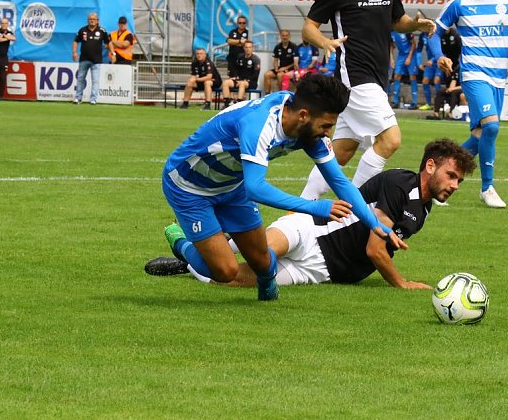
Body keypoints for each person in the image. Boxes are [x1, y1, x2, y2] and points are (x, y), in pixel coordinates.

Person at [159, 73, 405, 302]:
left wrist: (374, 224)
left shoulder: (309, 132)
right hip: (188, 186)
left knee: (264, 262)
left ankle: (267, 298)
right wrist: (314, 207)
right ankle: (183, 244)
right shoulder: (259, 124)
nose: (328, 133)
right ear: (304, 116)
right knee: (225, 271)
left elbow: (339, 181)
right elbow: (256, 189)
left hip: (231, 186)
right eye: (326, 126)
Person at [146, 138, 475, 288]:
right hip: (312, 230)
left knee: (228, 279)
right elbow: (375, 249)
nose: (455, 185)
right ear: (430, 165)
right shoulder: (400, 184)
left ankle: (189, 258)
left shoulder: (425, 207)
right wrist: (400, 283)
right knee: (252, 253)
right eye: (451, 175)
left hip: (323, 270)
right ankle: (184, 243)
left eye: (459, 180)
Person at [299, 0, 436, 201]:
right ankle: (353, 207)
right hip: (355, 77)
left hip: (377, 78)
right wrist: (324, 40)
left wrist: (415, 25)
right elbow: (308, 27)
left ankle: (300, 208)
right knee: (391, 139)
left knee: (342, 152)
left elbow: (397, 20)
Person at [430, 0, 508, 209]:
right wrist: (439, 56)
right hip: (474, 74)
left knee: (479, 136)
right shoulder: (460, 3)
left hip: (498, 77)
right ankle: (487, 187)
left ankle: (434, 180)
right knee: (492, 127)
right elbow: (434, 32)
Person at [72, 12, 109, 105]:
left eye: (94, 19)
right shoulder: (82, 30)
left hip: (96, 60)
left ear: (97, 21)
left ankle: (93, 99)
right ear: (88, 20)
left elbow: (108, 42)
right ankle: (78, 98)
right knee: (80, 78)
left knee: (95, 80)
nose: (92, 21)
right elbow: (75, 41)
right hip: (84, 59)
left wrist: (112, 52)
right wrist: (74, 52)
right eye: (90, 19)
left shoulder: (102, 31)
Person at [222, 40, 260, 108]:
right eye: (246, 47)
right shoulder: (240, 57)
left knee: (242, 84)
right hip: (239, 79)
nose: (248, 49)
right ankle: (227, 103)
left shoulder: (256, 59)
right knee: (226, 82)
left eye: (250, 47)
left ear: (252, 48)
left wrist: (246, 80)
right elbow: (236, 69)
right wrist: (235, 77)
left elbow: (256, 74)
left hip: (251, 82)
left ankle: (238, 103)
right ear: (243, 48)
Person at [262, 29, 297, 95]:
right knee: (267, 74)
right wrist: (276, 69)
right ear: (280, 36)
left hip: (290, 69)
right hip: (280, 68)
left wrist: (285, 68)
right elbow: (275, 60)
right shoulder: (277, 47)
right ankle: (267, 94)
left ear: (289, 36)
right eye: (283, 35)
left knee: (279, 75)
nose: (285, 37)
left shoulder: (293, 46)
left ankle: (280, 94)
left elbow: (295, 62)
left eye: (286, 35)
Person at [390, 31, 419, 110]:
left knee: (412, 76)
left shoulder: (406, 30)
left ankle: (414, 102)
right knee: (396, 76)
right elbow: (392, 46)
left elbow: (413, 44)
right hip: (401, 55)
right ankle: (395, 101)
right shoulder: (391, 32)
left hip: (410, 55)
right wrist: (391, 59)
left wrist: (409, 57)